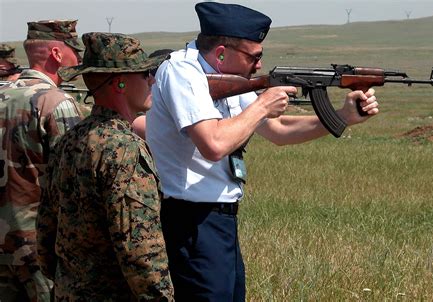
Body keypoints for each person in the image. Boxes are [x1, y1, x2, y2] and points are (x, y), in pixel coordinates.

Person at [146, 2, 379, 301]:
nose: (258, 66)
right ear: (220, 53)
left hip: (220, 221)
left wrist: (342, 117)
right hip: (192, 221)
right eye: (254, 57)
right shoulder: (182, 71)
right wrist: (261, 106)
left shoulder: (225, 77)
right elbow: (213, 144)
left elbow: (278, 131)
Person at [36, 32, 174, 301]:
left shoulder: (70, 140)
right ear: (120, 83)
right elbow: (141, 250)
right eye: (144, 73)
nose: (152, 79)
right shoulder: (125, 149)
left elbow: (45, 230)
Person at [0, 20, 84, 302]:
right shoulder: (56, 103)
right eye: (75, 50)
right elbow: (74, 183)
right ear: (57, 55)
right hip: (40, 246)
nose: (80, 58)